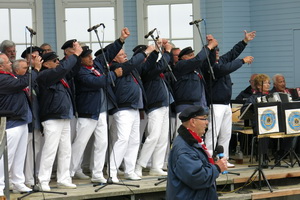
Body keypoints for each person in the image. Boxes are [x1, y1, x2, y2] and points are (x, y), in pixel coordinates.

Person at [70, 28, 130, 184]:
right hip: (88, 112)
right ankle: (68, 172)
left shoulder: (95, 66)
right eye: (87, 56)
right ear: (80, 59)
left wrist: (121, 40)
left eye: (90, 55)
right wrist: (113, 74)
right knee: (81, 143)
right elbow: (96, 82)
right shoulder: (80, 72)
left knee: (102, 142)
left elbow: (108, 54)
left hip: (101, 111)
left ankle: (97, 173)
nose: (90, 58)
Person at [203, 30, 256, 168]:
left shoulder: (219, 61)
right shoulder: (209, 66)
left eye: (218, 51)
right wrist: (242, 61)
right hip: (215, 104)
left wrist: (244, 41)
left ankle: (224, 159)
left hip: (226, 104)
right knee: (212, 133)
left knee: (226, 133)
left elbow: (232, 53)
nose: (218, 54)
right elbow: (226, 69)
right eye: (215, 52)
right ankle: (208, 159)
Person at [37, 42, 82, 191]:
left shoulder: (59, 76)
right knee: (50, 150)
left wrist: (78, 55)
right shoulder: (45, 75)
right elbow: (63, 68)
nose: (58, 62)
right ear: (47, 64)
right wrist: (74, 55)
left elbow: (72, 69)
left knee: (65, 149)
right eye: (55, 61)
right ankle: (43, 180)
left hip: (64, 116)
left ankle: (64, 177)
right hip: (52, 117)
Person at [108, 44, 156, 182]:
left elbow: (146, 66)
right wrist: (146, 51)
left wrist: (155, 53)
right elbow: (132, 63)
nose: (125, 56)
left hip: (135, 108)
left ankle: (129, 170)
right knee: (122, 139)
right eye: (122, 54)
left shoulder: (131, 69)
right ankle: (112, 172)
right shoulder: (115, 67)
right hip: (123, 109)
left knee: (134, 141)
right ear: (115, 57)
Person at [0, 53, 41, 196]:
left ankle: (18, 182)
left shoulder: (9, 76)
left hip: (21, 120)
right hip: (11, 121)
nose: (11, 64)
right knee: (7, 155)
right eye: (7, 62)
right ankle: (0, 185)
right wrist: (35, 69)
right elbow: (22, 83)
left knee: (20, 154)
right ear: (1, 66)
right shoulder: (2, 78)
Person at [166, 105, 227, 200]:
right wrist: (217, 168)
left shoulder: (192, 142)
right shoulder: (185, 149)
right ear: (193, 122)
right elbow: (196, 178)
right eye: (204, 119)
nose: (207, 122)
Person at [135, 40, 174, 177]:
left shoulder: (150, 68)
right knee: (153, 136)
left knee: (163, 138)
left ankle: (156, 166)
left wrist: (159, 49)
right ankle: (140, 165)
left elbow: (159, 64)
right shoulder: (144, 69)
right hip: (155, 105)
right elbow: (160, 64)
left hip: (164, 104)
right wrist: (165, 51)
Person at [172, 35, 218, 136]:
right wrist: (209, 47)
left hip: (198, 105)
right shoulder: (181, 65)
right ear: (183, 57)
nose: (193, 57)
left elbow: (209, 61)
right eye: (190, 55)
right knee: (182, 134)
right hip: (185, 106)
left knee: (198, 134)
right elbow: (197, 59)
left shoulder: (196, 68)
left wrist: (212, 48)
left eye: (193, 55)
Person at [241, 74, 271, 167]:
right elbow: (244, 110)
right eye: (265, 83)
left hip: (272, 124)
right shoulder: (253, 98)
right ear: (258, 86)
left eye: (268, 83)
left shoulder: (273, 96)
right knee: (263, 131)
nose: (268, 85)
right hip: (259, 125)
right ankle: (263, 157)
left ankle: (282, 153)